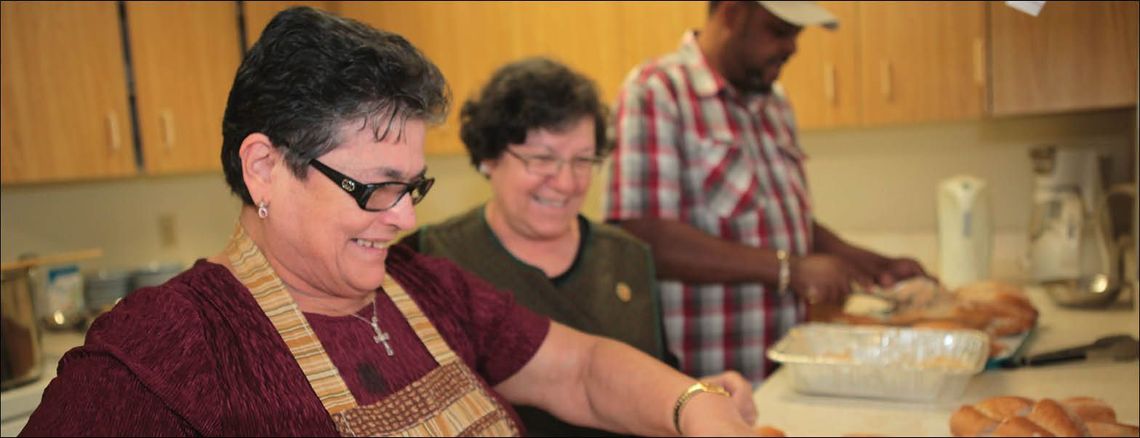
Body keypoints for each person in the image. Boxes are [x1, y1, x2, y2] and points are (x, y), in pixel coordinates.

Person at [20, 7, 757, 437]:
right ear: (264, 167)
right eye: (376, 189)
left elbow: (584, 372)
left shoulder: (428, 290)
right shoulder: (165, 348)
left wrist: (695, 407)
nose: (404, 219)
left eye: (413, 186)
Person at [401, 57, 757, 436]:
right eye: (542, 159)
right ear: (489, 157)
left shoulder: (628, 257)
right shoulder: (430, 260)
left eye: (583, 161)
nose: (566, 183)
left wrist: (701, 396)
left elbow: (652, 377)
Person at [605, 0, 930, 385]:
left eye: (797, 34)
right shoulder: (657, 91)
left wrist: (869, 264)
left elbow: (777, 219)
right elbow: (643, 236)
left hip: (782, 374)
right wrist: (790, 269)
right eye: (779, 30)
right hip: (703, 381)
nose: (792, 48)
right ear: (730, 13)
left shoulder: (774, 101)